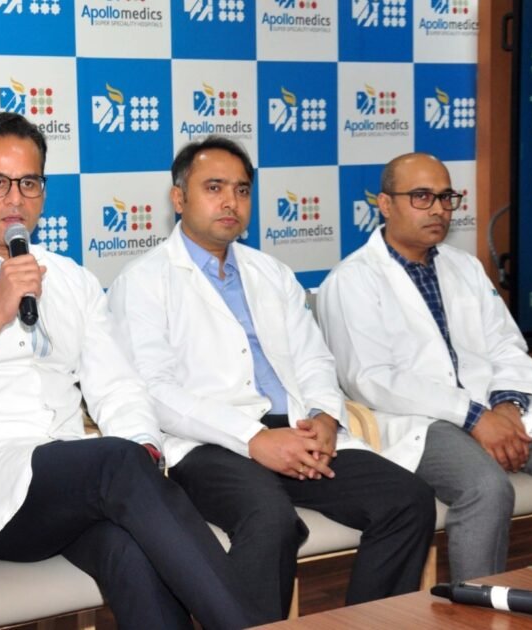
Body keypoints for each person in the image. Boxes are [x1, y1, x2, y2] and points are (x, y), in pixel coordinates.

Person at [0, 113, 258, 629]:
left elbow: (117, 386)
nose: (15, 199)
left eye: (29, 183)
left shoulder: (71, 279)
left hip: (74, 484)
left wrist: (143, 447)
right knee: (116, 465)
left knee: (131, 551)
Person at [106, 137, 435, 621]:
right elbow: (153, 392)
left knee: (408, 500)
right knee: (270, 520)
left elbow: (314, 359)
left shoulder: (272, 272)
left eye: (241, 190)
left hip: (297, 431)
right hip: (208, 443)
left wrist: (324, 416)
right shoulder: (143, 281)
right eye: (214, 188)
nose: (230, 202)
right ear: (179, 198)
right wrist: (253, 438)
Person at [317, 152, 532, 584]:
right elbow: (370, 379)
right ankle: (477, 610)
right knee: (486, 488)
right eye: (421, 197)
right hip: (421, 423)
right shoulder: (351, 280)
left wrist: (505, 406)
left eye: (446, 197)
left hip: (500, 415)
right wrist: (474, 417)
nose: (439, 209)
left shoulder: (465, 267)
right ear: (385, 204)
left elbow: (507, 345)